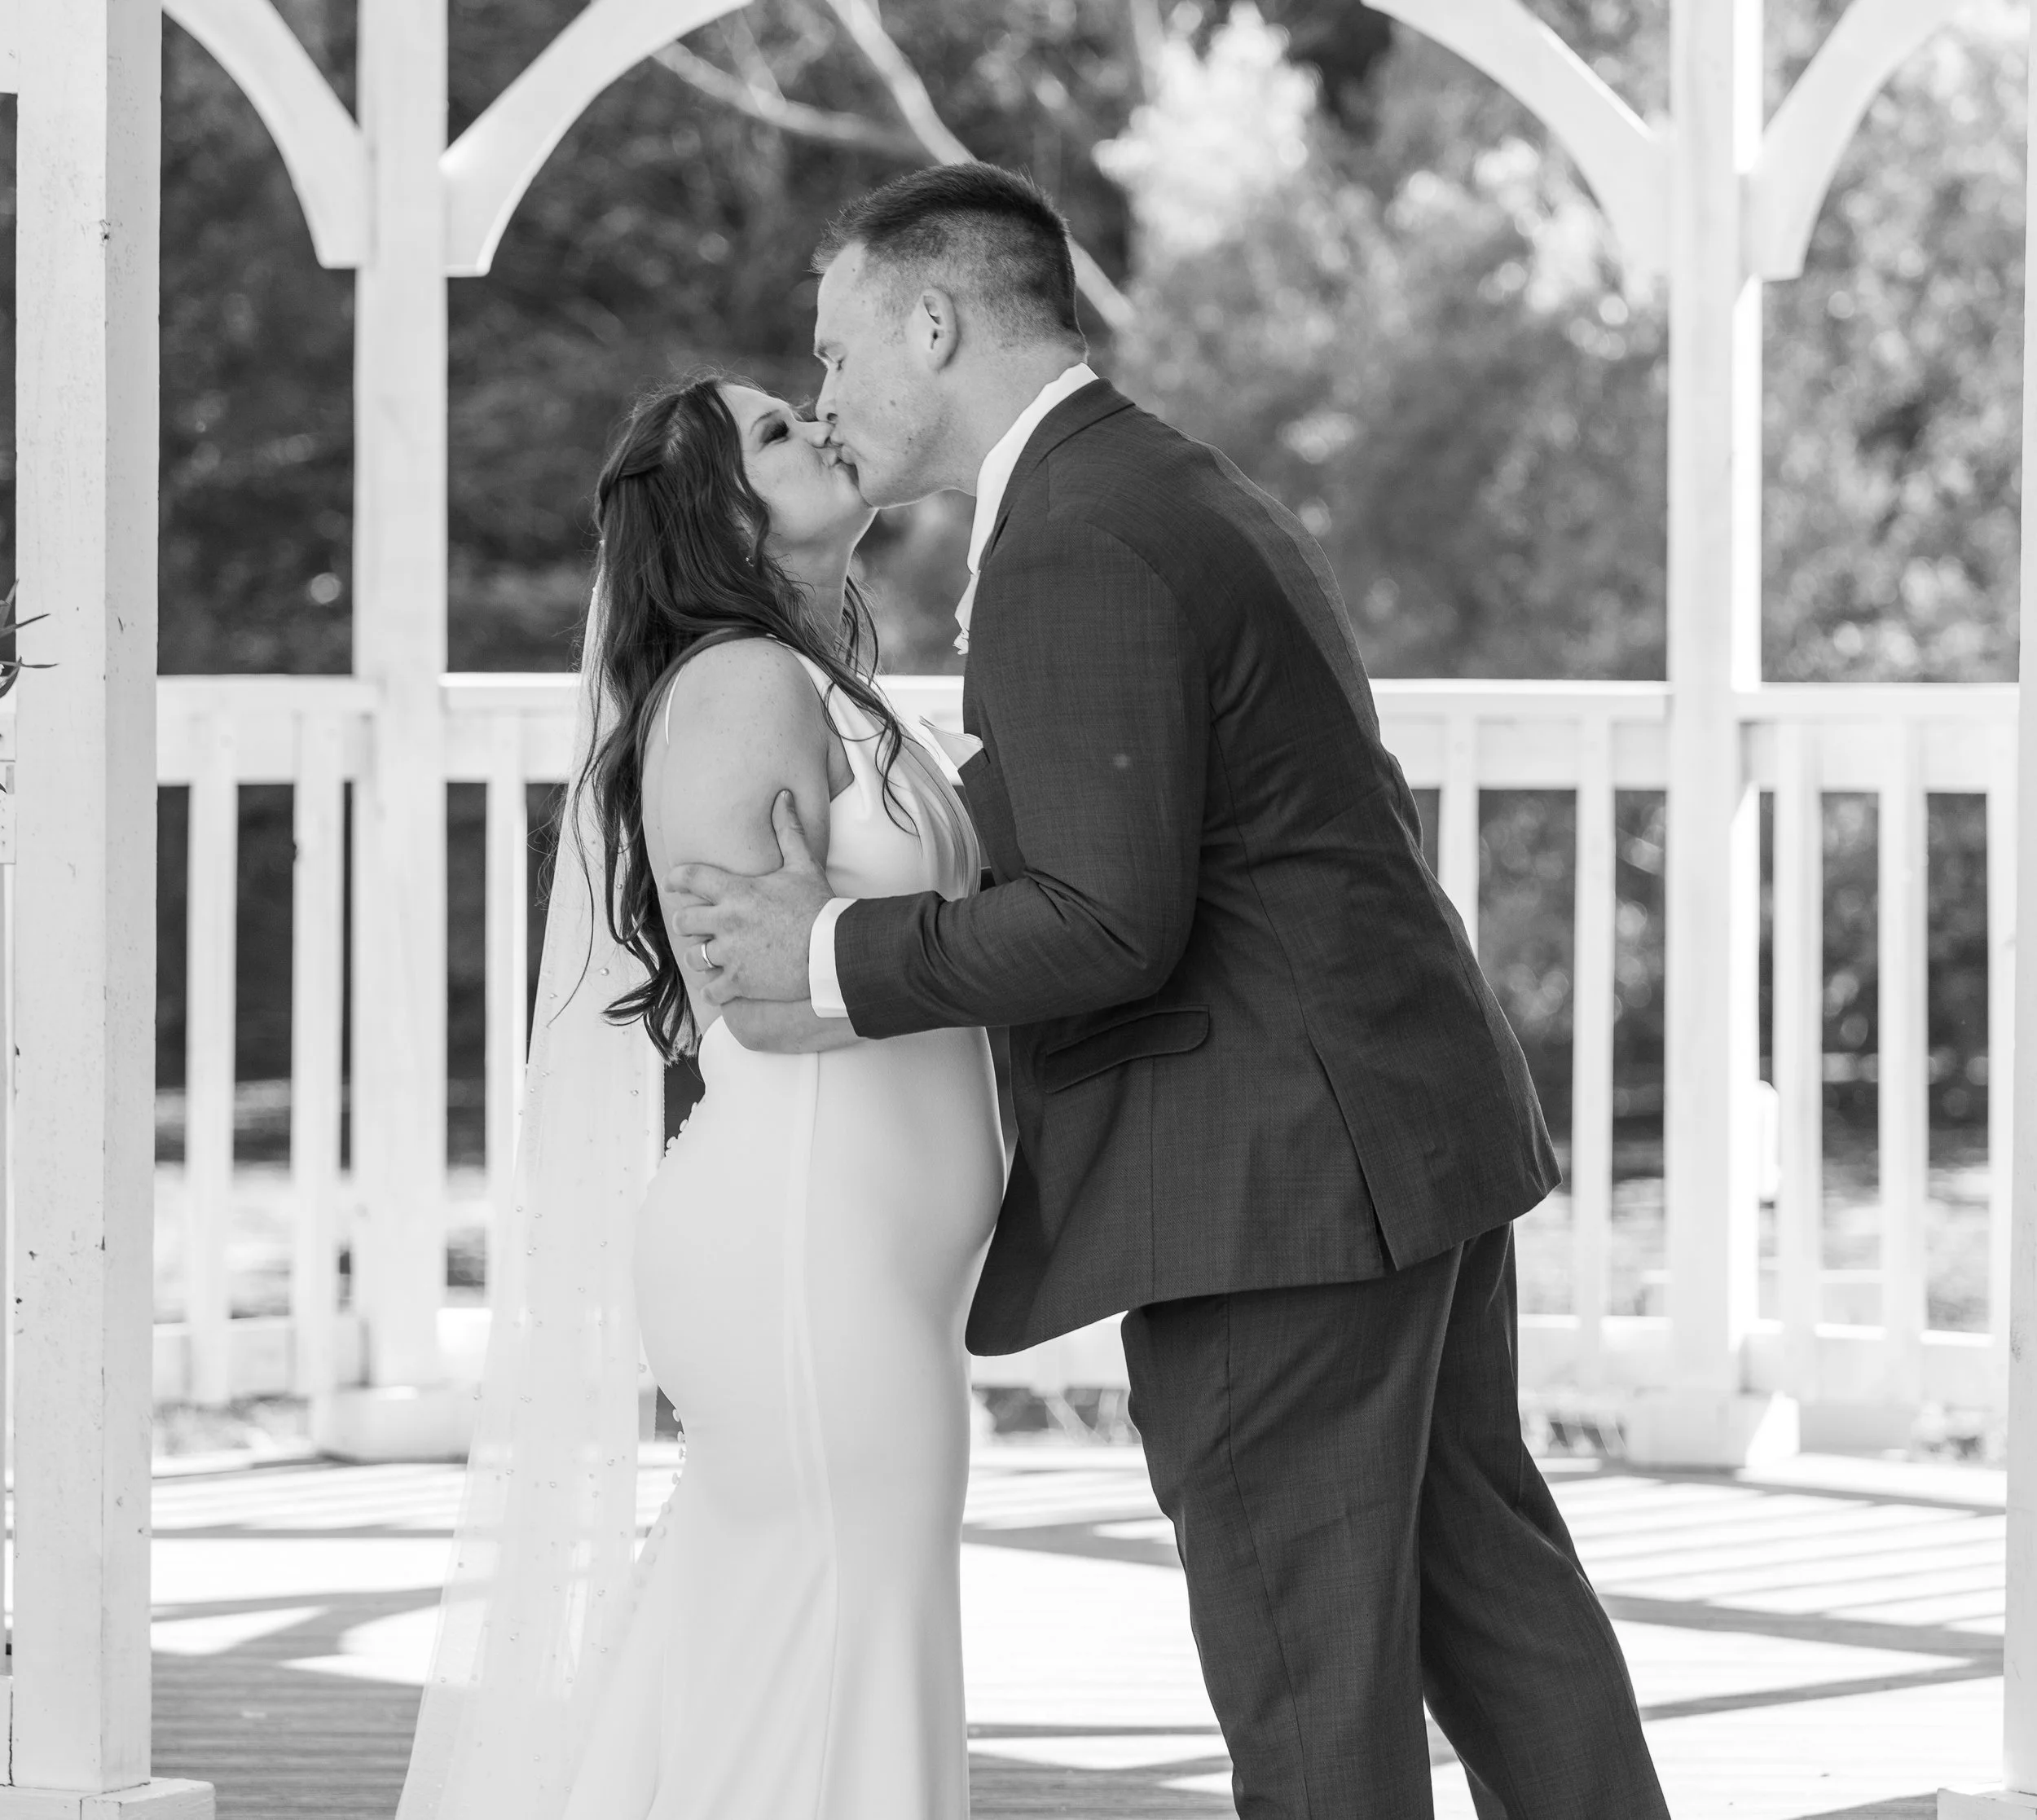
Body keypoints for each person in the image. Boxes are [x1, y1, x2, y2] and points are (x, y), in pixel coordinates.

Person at [671, 163, 1671, 1818]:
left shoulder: (1074, 539)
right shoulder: (1150, 482)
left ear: (933, 322)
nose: (830, 395)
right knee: (1489, 1612)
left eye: (837, 352)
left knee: (1304, 1680)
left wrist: (822, 954)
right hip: (1388, 1130)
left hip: (1269, 1181)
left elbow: (1104, 922)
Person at [563, 372, 1004, 1817]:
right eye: (771, 430)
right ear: (716, 517)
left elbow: (837, 951)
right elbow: (764, 991)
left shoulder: (817, 679)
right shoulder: (741, 683)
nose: (818, 425)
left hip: (859, 1267)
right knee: (835, 1687)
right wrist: (977, 955)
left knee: (790, 1672)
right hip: (804, 1259)